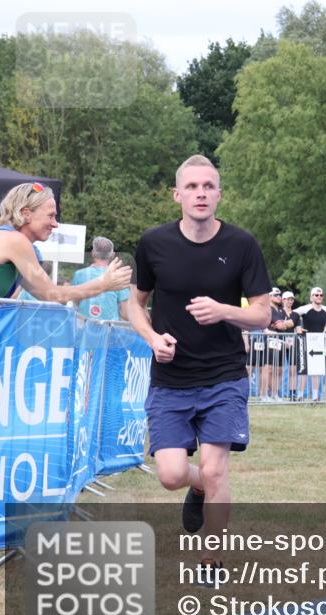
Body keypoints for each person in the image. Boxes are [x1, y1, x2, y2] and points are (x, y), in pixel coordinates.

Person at [128, 155, 271, 583]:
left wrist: (224, 310)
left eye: (208, 186)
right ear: (177, 195)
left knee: (215, 467)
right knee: (171, 475)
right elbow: (135, 304)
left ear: (219, 194)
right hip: (170, 379)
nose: (201, 193)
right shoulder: (154, 243)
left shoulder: (241, 244)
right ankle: (197, 487)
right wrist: (153, 340)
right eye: (192, 187)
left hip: (224, 375)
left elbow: (263, 314)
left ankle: (212, 560)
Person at [0, 182, 130, 301]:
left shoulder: (5, 238)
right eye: (51, 216)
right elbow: (53, 294)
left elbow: (47, 295)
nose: (55, 224)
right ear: (26, 214)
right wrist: (103, 283)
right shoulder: (15, 241)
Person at [295, 286, 326, 400]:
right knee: (303, 370)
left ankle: (315, 397)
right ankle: (299, 396)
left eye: (321, 295)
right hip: (305, 341)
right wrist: (298, 326)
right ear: (311, 297)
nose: (319, 297)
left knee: (316, 370)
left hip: (319, 342)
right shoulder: (305, 308)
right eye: (316, 295)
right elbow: (293, 314)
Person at [73, 236, 129, 321]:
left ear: (93, 253)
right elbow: (125, 313)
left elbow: (74, 303)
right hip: (110, 330)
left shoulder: (79, 274)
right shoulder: (119, 276)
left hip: (83, 328)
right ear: (112, 255)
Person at [257, 287, 283, 401]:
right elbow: (262, 323)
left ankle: (274, 394)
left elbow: (281, 326)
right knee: (267, 368)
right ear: (270, 297)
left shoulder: (280, 310)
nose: (279, 297)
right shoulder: (267, 309)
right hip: (269, 340)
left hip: (278, 341)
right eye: (276, 295)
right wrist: (266, 330)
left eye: (279, 295)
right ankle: (263, 394)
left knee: (276, 369)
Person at [275, 290, 302, 399]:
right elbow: (276, 326)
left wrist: (284, 324)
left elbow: (298, 329)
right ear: (283, 300)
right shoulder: (278, 312)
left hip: (292, 343)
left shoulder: (296, 314)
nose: (290, 301)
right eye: (288, 299)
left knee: (292, 370)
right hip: (280, 342)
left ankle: (292, 393)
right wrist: (286, 325)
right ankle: (275, 393)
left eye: (292, 299)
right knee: (279, 370)